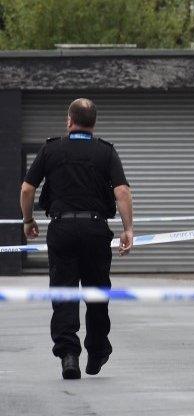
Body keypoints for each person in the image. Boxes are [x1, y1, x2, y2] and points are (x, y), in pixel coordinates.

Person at [20, 98, 134, 380]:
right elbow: (122, 192)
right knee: (97, 292)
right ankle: (97, 350)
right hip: (95, 230)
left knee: (64, 292)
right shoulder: (105, 152)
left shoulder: (51, 149)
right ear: (93, 123)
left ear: (70, 121)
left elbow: (26, 189)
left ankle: (69, 354)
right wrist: (128, 228)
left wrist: (28, 220)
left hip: (62, 231)